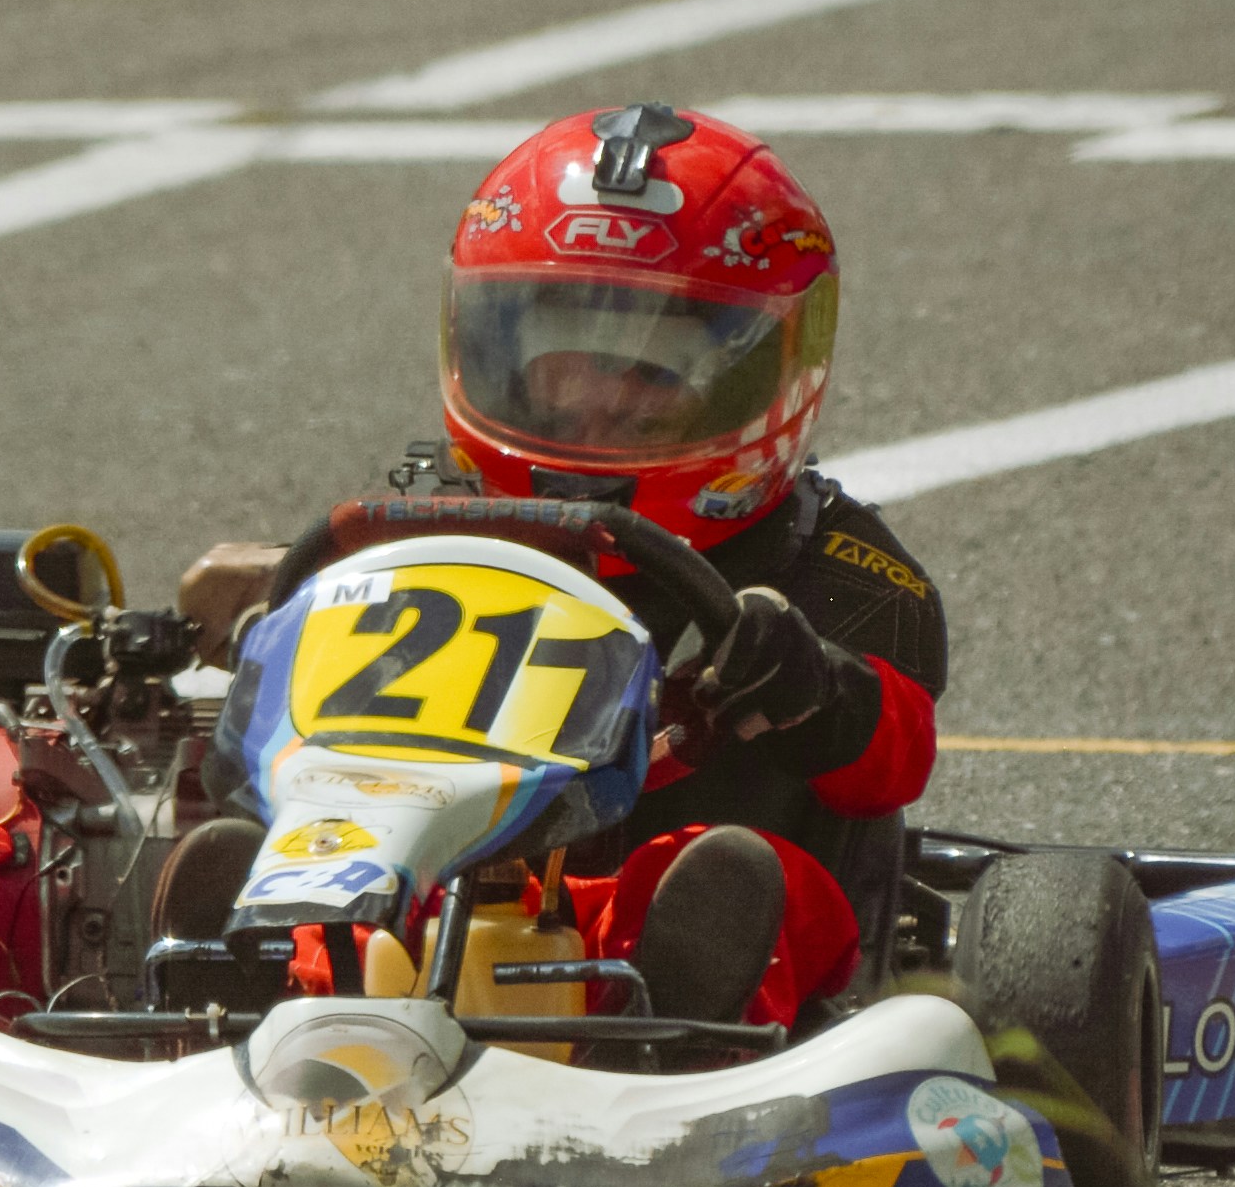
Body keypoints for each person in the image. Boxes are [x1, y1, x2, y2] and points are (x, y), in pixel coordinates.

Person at [174, 101, 942, 1035]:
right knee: (324, 863)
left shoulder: (829, 563)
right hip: (427, 887)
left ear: (757, 372)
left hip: (650, 923)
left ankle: (675, 1041)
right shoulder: (422, 528)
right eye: (562, 359)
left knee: (725, 874)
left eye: (653, 372)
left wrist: (817, 687)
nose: (596, 399)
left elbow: (894, 756)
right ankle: (252, 993)